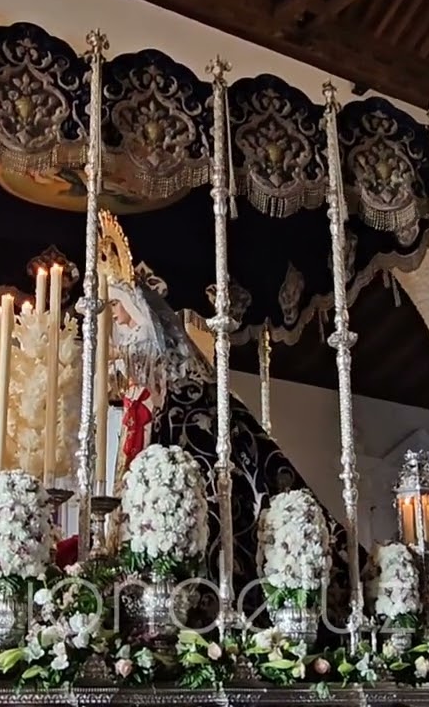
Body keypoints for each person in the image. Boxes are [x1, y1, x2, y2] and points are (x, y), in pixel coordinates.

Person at [99, 210, 361, 629]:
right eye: (111, 307)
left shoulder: (191, 396)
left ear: (142, 308)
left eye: (119, 305)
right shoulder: (138, 383)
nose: (116, 318)